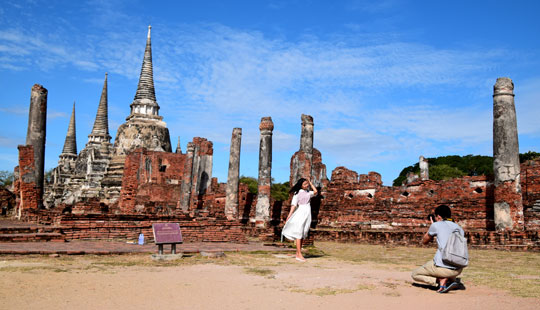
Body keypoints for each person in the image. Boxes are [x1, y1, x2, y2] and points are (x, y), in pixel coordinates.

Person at [411, 205, 466, 293]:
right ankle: (450, 280)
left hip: (442, 268)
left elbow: (425, 241)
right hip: (458, 268)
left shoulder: (436, 225)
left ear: (439, 217)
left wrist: (432, 226)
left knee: (415, 274)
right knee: (447, 268)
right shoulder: (459, 228)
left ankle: (440, 280)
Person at [281, 177, 318, 262]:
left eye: (307, 184)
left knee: (303, 232)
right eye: (305, 184)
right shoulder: (297, 193)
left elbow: (316, 192)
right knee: (298, 232)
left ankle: (298, 254)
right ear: (301, 185)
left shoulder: (309, 192)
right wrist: (289, 215)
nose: (306, 185)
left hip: (307, 213)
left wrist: (311, 183)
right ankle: (299, 253)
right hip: (300, 212)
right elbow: (293, 205)